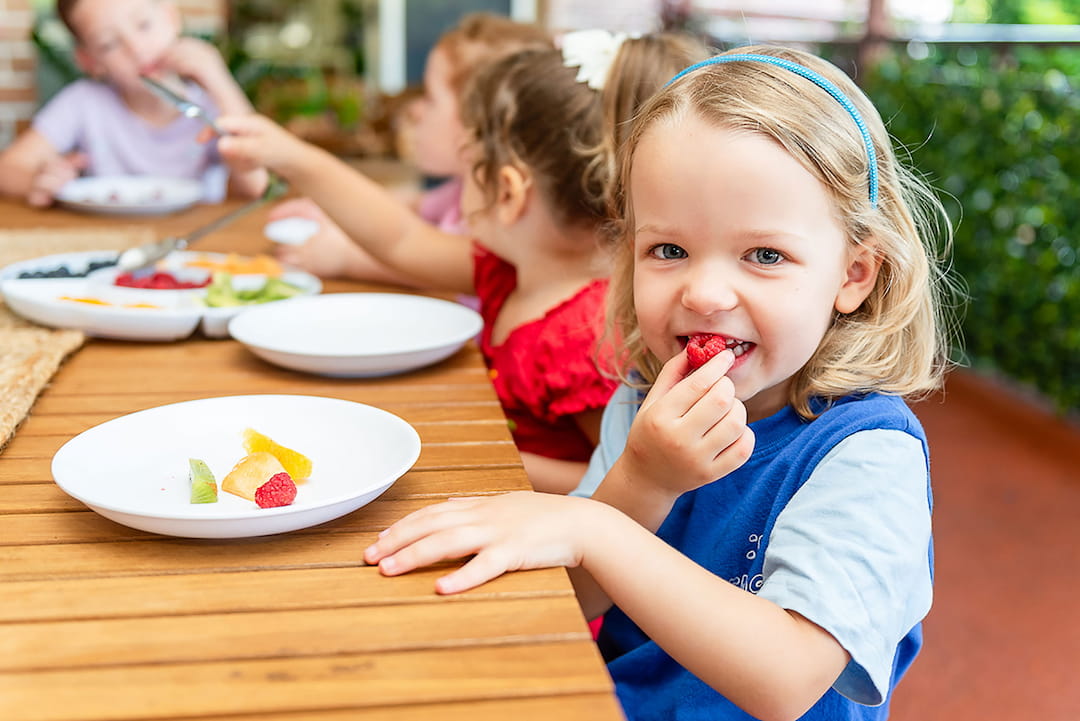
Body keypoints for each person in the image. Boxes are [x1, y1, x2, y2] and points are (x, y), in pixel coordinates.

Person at [362, 45, 960, 721]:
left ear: (855, 273)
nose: (704, 293)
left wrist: (595, 527)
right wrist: (642, 479)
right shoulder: (645, 394)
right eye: (668, 250)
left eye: (765, 255)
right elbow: (574, 594)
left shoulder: (868, 454)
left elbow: (787, 679)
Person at [218, 33, 711, 495]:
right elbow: (400, 237)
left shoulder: (582, 337)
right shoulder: (511, 272)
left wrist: (473, 447)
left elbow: (613, 477)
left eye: (469, 163)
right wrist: (295, 158)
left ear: (508, 191)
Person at [264, 12, 551, 286]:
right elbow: (411, 203)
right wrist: (331, 208)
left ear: (479, 122)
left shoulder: (507, 222)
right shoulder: (461, 190)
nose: (415, 109)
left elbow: (450, 266)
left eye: (429, 97)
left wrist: (344, 257)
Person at [0, 0, 266, 207]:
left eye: (144, 25)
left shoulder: (214, 104)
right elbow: (8, 170)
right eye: (109, 44)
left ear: (171, 18)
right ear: (88, 61)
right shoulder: (83, 103)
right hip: (106, 241)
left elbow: (255, 184)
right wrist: (39, 182)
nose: (136, 49)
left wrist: (219, 79)